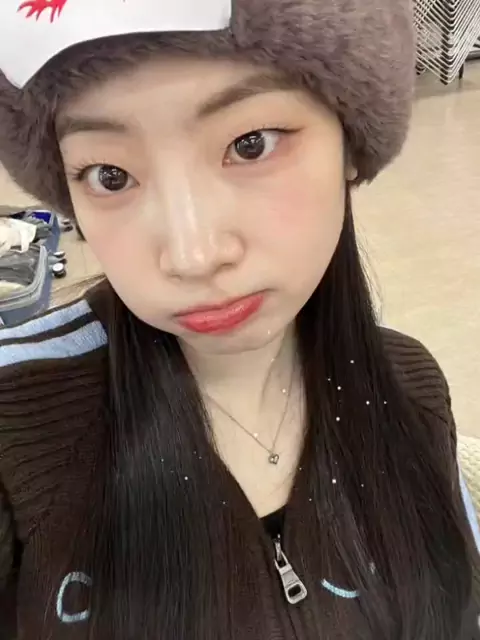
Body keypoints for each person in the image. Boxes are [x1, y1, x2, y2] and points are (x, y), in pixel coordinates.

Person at [0, 0, 478, 638]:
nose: (192, 256)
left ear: (350, 144)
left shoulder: (410, 385)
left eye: (250, 144)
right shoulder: (14, 413)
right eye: (110, 176)